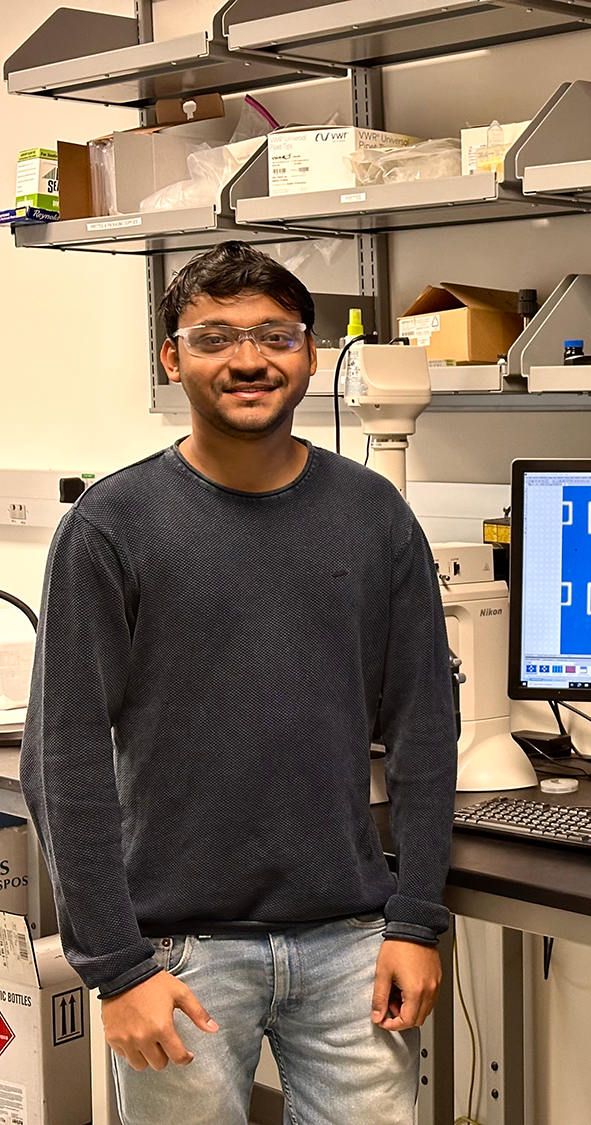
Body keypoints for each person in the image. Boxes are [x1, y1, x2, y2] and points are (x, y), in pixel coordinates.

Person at [22, 242, 457, 1124]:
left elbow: (423, 723)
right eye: (215, 337)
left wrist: (414, 920)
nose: (250, 359)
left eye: (276, 336)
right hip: (177, 951)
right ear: (172, 358)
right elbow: (62, 755)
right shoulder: (114, 525)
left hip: (351, 941)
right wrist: (116, 965)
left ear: (308, 353)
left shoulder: (374, 515)